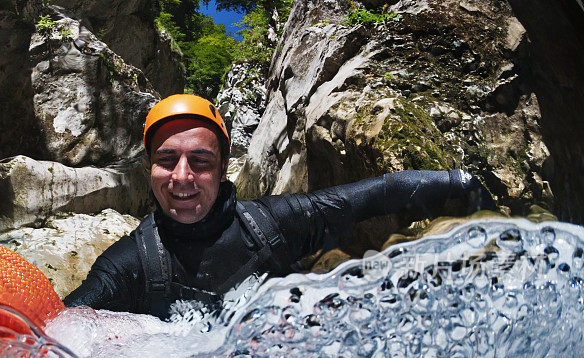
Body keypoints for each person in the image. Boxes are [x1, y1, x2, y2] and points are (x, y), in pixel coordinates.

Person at [64, 94, 493, 318]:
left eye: (200, 161)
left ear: (224, 167)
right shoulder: (127, 266)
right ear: (149, 168)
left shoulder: (274, 225)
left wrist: (462, 184)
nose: (181, 177)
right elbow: (57, 335)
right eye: (165, 160)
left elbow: (374, 195)